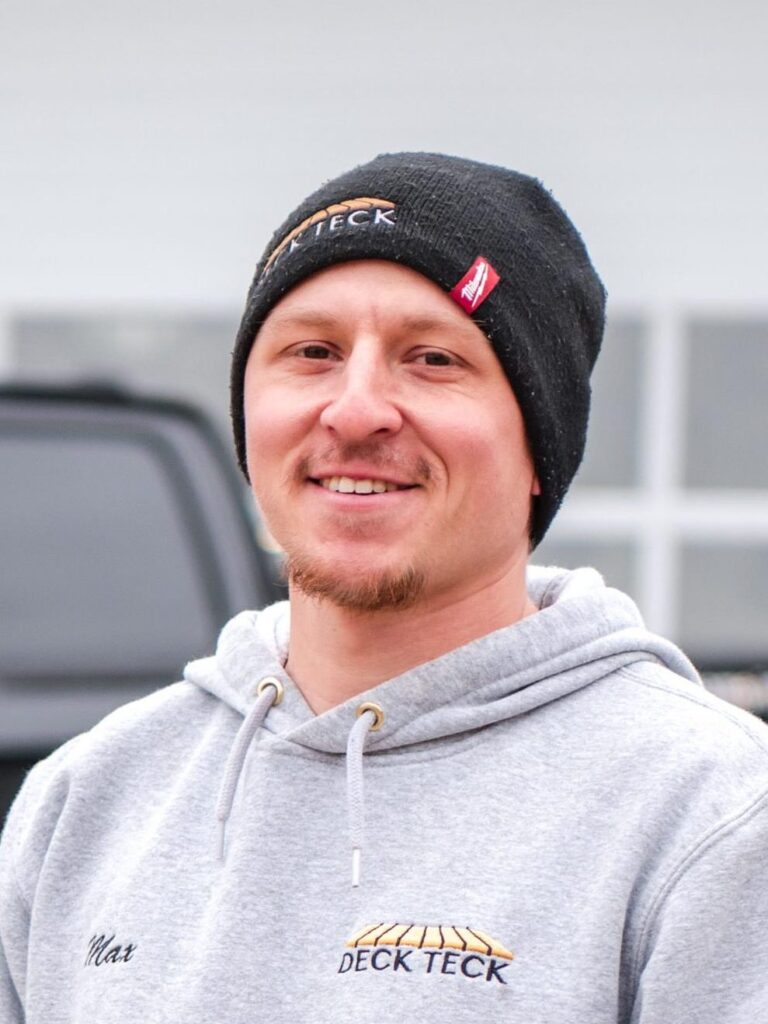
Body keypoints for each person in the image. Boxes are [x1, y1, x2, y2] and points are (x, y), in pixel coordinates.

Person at [1, 152, 767, 1023]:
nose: (356, 409)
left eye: (433, 358)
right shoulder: (89, 799)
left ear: (538, 446)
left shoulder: (713, 814)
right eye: (312, 352)